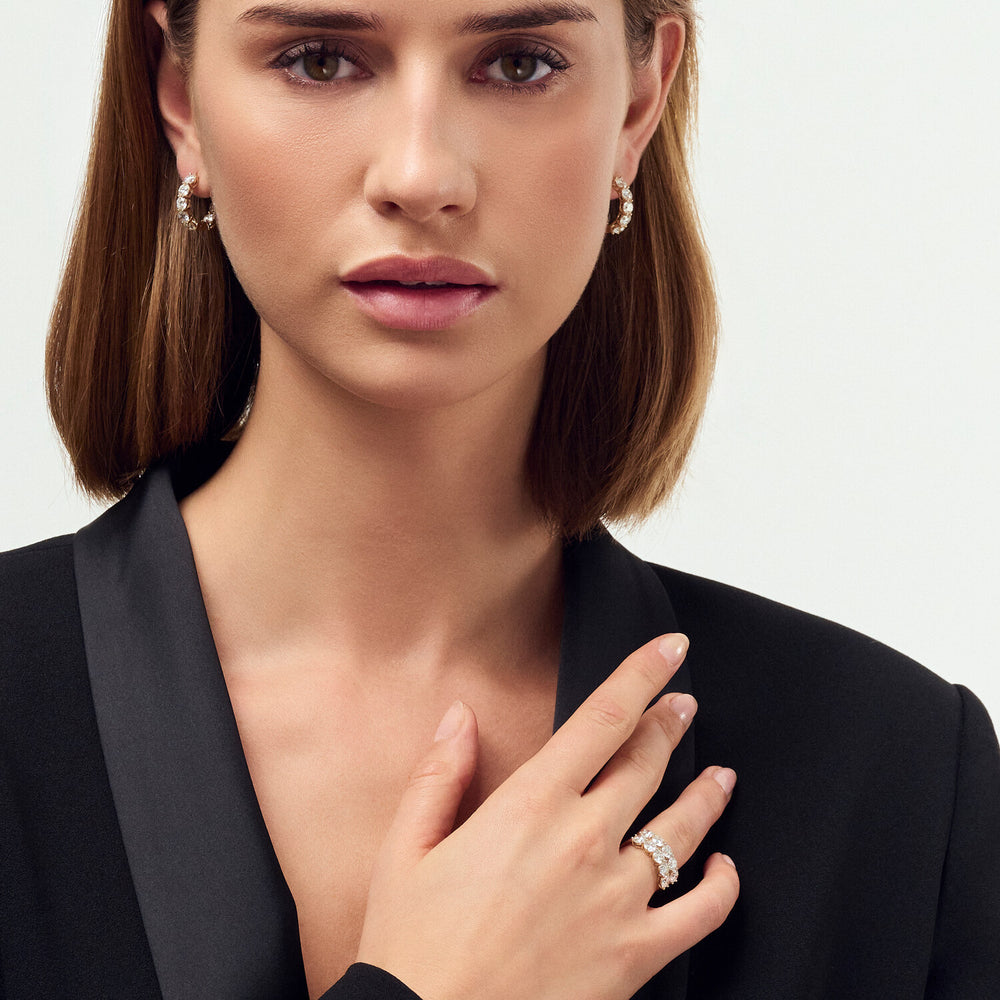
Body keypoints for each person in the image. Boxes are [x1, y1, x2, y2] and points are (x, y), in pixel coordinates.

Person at [1, 1, 997, 999]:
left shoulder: (900, 781)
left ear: (637, 104)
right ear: (178, 94)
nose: (421, 175)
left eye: (520, 64)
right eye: (319, 60)